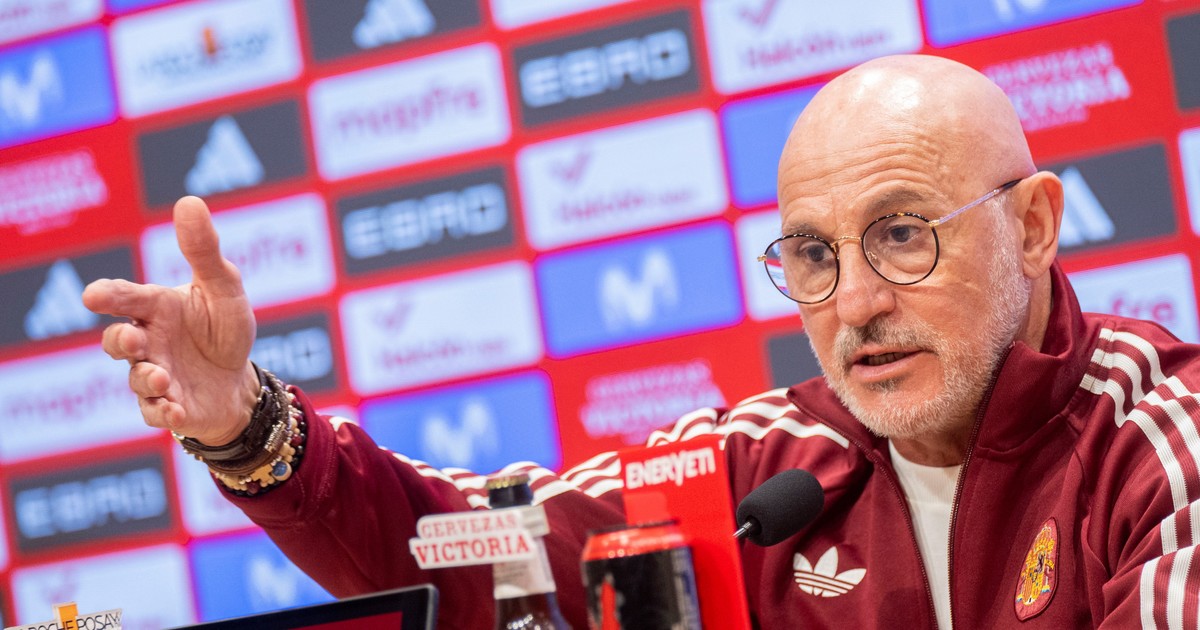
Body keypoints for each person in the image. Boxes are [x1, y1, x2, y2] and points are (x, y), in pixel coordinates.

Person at [81, 53, 1200, 629]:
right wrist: (245, 426)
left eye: (902, 234)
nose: (855, 301)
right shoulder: (768, 469)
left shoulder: (1161, 445)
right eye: (813, 255)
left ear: (1032, 227)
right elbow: (473, 550)